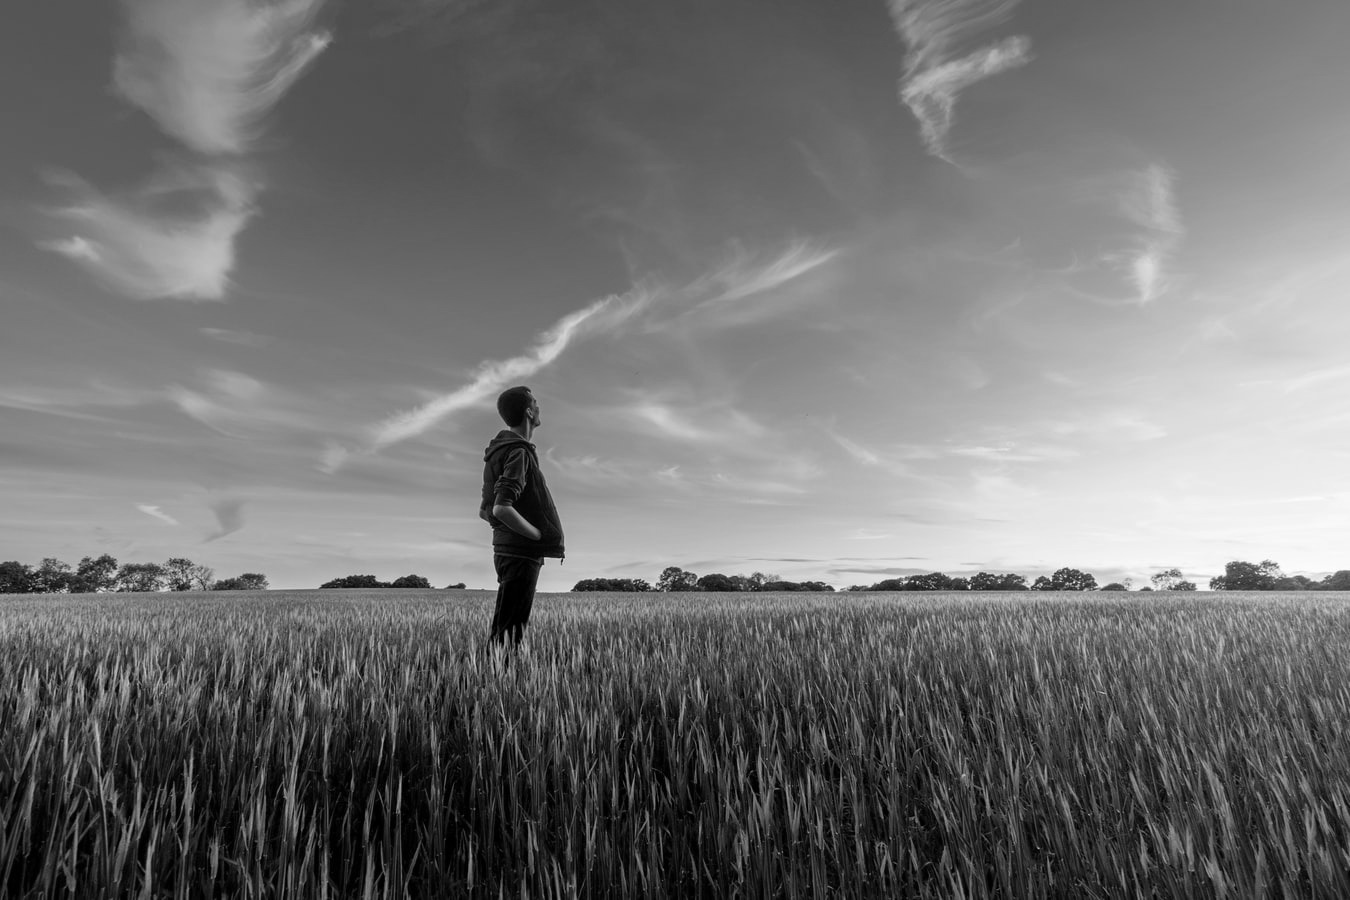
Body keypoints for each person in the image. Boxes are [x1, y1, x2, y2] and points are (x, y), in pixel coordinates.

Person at [479, 386, 565, 650]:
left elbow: (485, 510)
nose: (539, 408)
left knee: (504, 629)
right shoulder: (518, 452)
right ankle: (496, 686)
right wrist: (536, 535)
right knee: (510, 634)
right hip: (521, 553)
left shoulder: (500, 451)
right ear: (529, 412)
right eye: (536, 403)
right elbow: (500, 508)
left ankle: (489, 680)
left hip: (506, 550)